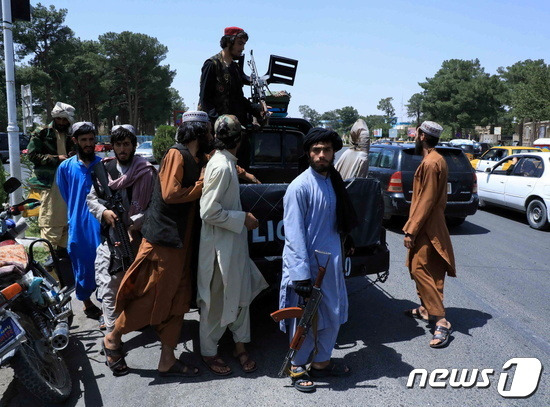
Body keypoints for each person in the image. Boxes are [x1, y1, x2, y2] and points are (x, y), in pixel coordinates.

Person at [103, 111, 212, 377]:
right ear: (199, 131)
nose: (211, 136)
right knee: (153, 297)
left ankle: (167, 359)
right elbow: (171, 193)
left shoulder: (199, 157)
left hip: (181, 243)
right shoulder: (176, 153)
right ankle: (113, 338)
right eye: (208, 131)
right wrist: (203, 183)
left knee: (177, 300)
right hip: (163, 241)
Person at [279, 128, 357, 392]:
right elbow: (294, 234)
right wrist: (300, 273)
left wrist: (347, 243)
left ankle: (322, 362)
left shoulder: (333, 181)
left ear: (334, 152)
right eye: (316, 150)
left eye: (326, 150)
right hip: (309, 267)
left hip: (332, 265)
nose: (321, 155)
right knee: (305, 320)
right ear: (308, 153)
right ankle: (298, 366)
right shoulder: (299, 186)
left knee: (331, 316)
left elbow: (338, 221)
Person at [197, 114, 268, 376]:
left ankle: (240, 348)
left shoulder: (225, 163)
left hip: (231, 246)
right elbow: (208, 211)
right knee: (215, 300)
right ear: (240, 139)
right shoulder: (222, 166)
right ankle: (209, 352)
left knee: (241, 296)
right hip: (220, 250)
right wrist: (243, 218)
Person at [87, 125, 157, 333]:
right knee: (108, 285)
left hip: (140, 238)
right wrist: (104, 213)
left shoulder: (146, 171)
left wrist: (139, 220)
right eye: (118, 145)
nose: (122, 149)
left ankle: (137, 320)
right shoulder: (104, 170)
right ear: (113, 147)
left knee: (139, 284)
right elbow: (91, 199)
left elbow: (155, 205)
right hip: (111, 237)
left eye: (126, 144)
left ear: (134, 146)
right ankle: (111, 334)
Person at [403, 121, 456, 349]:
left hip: (427, 225)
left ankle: (441, 319)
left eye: (417, 134)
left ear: (422, 136)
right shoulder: (434, 159)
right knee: (429, 266)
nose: (416, 137)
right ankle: (425, 308)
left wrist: (411, 229)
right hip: (428, 223)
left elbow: (426, 201)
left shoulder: (432, 162)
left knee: (418, 268)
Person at [56, 122, 102, 319]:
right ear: (75, 141)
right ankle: (86, 302)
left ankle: (107, 305)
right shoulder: (65, 167)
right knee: (82, 265)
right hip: (78, 226)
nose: (88, 144)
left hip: (101, 224)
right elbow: (66, 195)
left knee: (104, 265)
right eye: (84, 140)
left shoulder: (103, 165)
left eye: (91, 140)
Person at [27, 102, 76, 286]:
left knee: (66, 224)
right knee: (50, 220)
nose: (62, 121)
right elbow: (32, 155)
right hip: (50, 182)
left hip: (68, 181)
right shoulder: (42, 132)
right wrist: (56, 159)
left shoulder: (72, 134)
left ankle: (62, 264)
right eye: (59, 118)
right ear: (55, 118)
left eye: (65, 119)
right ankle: (50, 266)